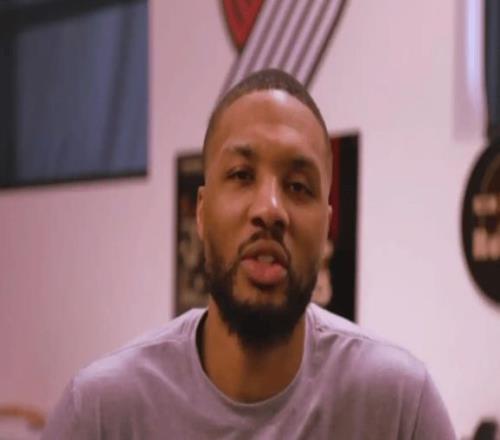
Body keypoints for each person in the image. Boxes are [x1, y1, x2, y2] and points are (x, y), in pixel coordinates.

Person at [42, 69, 456, 439]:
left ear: (327, 225)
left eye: (298, 186)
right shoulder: (101, 413)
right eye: (241, 175)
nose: (270, 209)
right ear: (201, 212)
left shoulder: (400, 408)